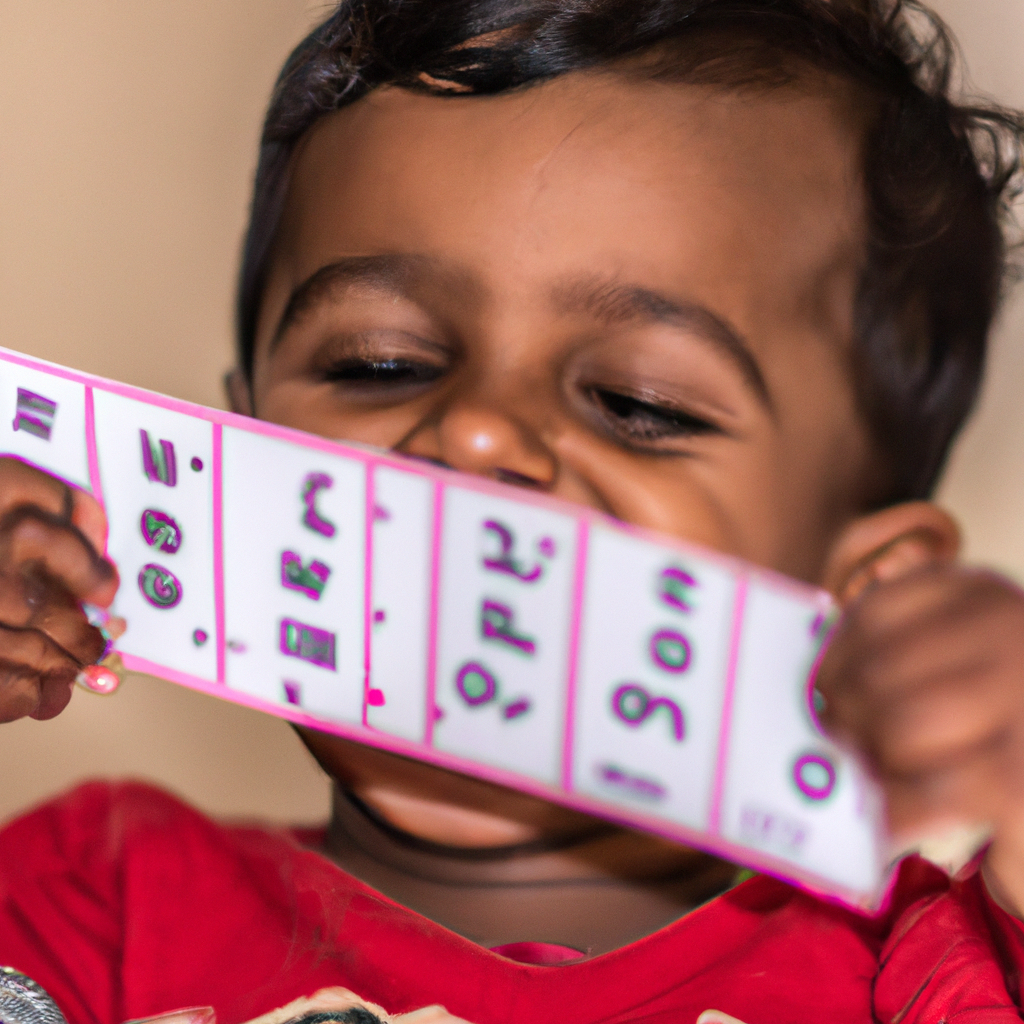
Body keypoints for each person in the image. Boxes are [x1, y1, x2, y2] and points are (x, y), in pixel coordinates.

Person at [1, 0, 1024, 1020]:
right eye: (379, 364)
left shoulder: (913, 968)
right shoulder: (93, 897)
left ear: (864, 593)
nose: (477, 433)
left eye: (637, 405)